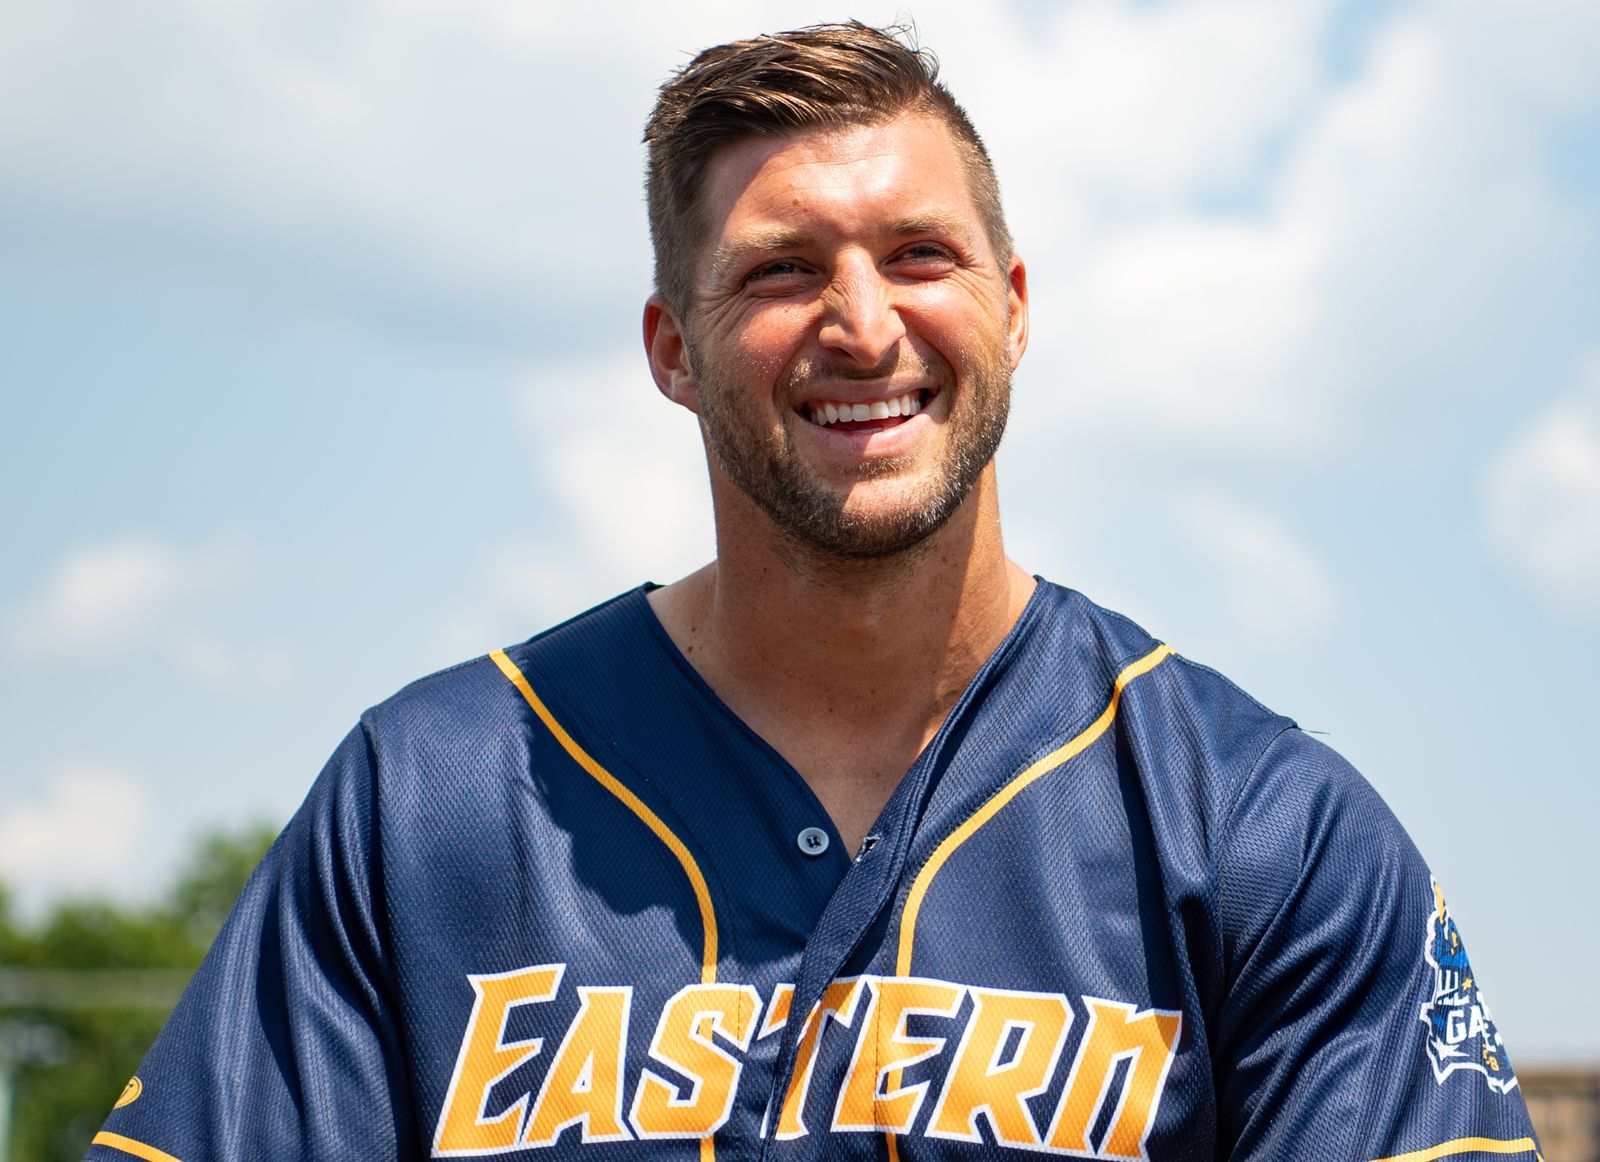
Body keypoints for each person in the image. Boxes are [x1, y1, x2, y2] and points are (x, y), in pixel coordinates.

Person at [87, 22, 1540, 1162]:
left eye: (920, 255)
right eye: (782, 270)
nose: (861, 325)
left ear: (1014, 307)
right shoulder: (430, 805)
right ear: (671, 347)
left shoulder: (1261, 824)